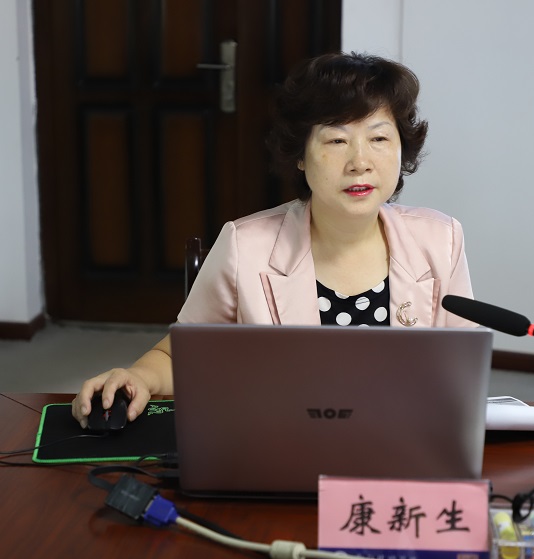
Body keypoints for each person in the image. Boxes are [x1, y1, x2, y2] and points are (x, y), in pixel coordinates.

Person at [72, 51, 474, 428]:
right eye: (336, 140)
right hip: (283, 440)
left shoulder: (440, 240)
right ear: (300, 154)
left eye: (379, 138)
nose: (360, 162)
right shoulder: (245, 245)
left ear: (402, 149)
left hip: (402, 441)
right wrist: (139, 377)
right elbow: (182, 354)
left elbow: (461, 371)